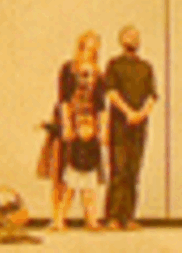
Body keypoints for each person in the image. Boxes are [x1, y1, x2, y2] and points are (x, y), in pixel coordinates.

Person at [51, 31, 108, 231]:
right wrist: (67, 124)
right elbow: (64, 99)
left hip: (89, 127)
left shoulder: (99, 74)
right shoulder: (68, 69)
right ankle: (59, 218)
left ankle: (91, 218)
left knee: (89, 177)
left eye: (94, 49)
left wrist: (102, 129)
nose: (90, 51)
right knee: (66, 175)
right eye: (87, 47)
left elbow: (101, 105)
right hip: (71, 123)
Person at [104, 26, 158, 231]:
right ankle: (113, 217)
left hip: (140, 126)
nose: (133, 39)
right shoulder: (114, 64)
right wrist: (128, 112)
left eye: (136, 36)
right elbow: (111, 92)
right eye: (129, 35)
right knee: (118, 169)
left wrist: (141, 114)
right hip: (120, 125)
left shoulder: (146, 67)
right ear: (121, 40)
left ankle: (129, 216)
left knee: (134, 171)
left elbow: (152, 96)